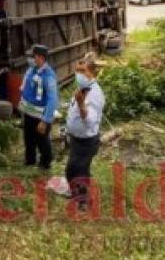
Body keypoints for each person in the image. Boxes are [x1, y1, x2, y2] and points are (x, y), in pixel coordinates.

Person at [65, 54, 105, 209]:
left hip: (87, 141)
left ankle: (83, 200)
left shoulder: (95, 94)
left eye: (83, 71)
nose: (79, 75)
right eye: (77, 71)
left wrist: (82, 105)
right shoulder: (82, 88)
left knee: (80, 170)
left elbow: (90, 122)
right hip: (75, 138)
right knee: (71, 169)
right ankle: (75, 192)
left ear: (92, 73)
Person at [18, 44, 59, 169]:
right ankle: (30, 161)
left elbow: (53, 99)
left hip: (40, 116)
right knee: (28, 140)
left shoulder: (48, 76)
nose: (30, 59)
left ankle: (45, 164)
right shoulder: (32, 70)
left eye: (33, 56)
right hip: (28, 113)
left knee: (42, 141)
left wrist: (45, 121)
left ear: (41, 57)